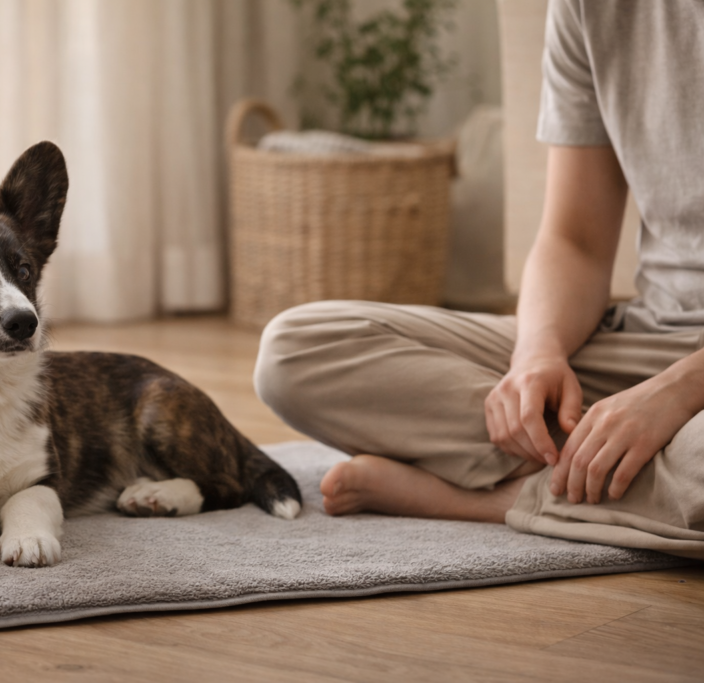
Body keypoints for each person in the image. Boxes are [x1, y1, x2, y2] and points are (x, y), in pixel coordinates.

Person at [253, 0, 704, 560]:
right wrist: (537, 354)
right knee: (296, 350)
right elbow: (576, 241)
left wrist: (680, 392)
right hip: (645, 338)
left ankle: (492, 499)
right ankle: (603, 470)